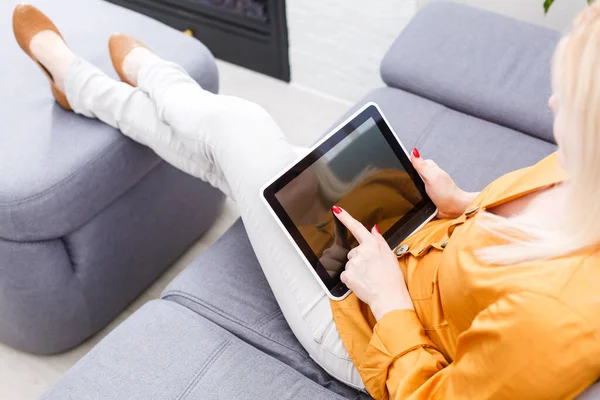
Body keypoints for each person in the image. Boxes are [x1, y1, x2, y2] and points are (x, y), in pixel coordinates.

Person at [12, 3, 600, 398]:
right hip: (402, 243)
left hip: (364, 329)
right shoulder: (583, 172)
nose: (550, 107)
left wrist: (389, 299)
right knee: (236, 157)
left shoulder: (562, 320)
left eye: (569, 103)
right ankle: (105, 87)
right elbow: (509, 248)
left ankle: (107, 84)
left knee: (239, 127)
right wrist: (460, 201)